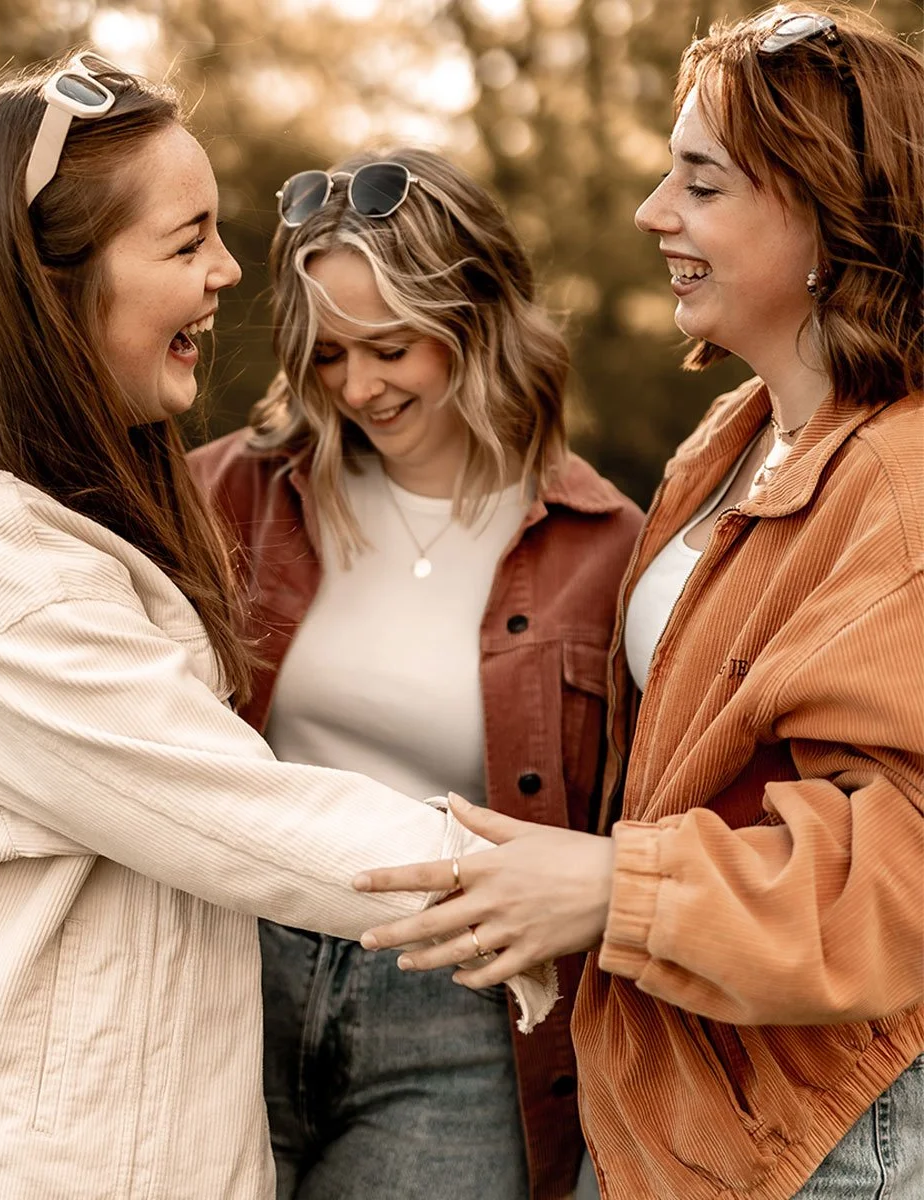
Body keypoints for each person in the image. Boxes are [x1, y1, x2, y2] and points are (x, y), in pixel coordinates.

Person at [0, 55, 553, 1200]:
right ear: (55, 286)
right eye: (185, 242)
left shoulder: (50, 514)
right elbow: (235, 813)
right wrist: (549, 893)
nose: (225, 274)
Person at [349, 7, 924, 1200]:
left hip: (824, 1136)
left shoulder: (903, 482)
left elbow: (904, 872)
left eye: (700, 184)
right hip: (687, 1102)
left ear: (824, 214)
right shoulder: (733, 441)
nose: (653, 213)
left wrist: (615, 885)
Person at [189, 148, 642, 1200]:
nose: (357, 388)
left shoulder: (606, 549)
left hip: (456, 1018)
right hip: (230, 975)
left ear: (476, 323)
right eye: (328, 355)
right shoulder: (229, 496)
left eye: (391, 348)